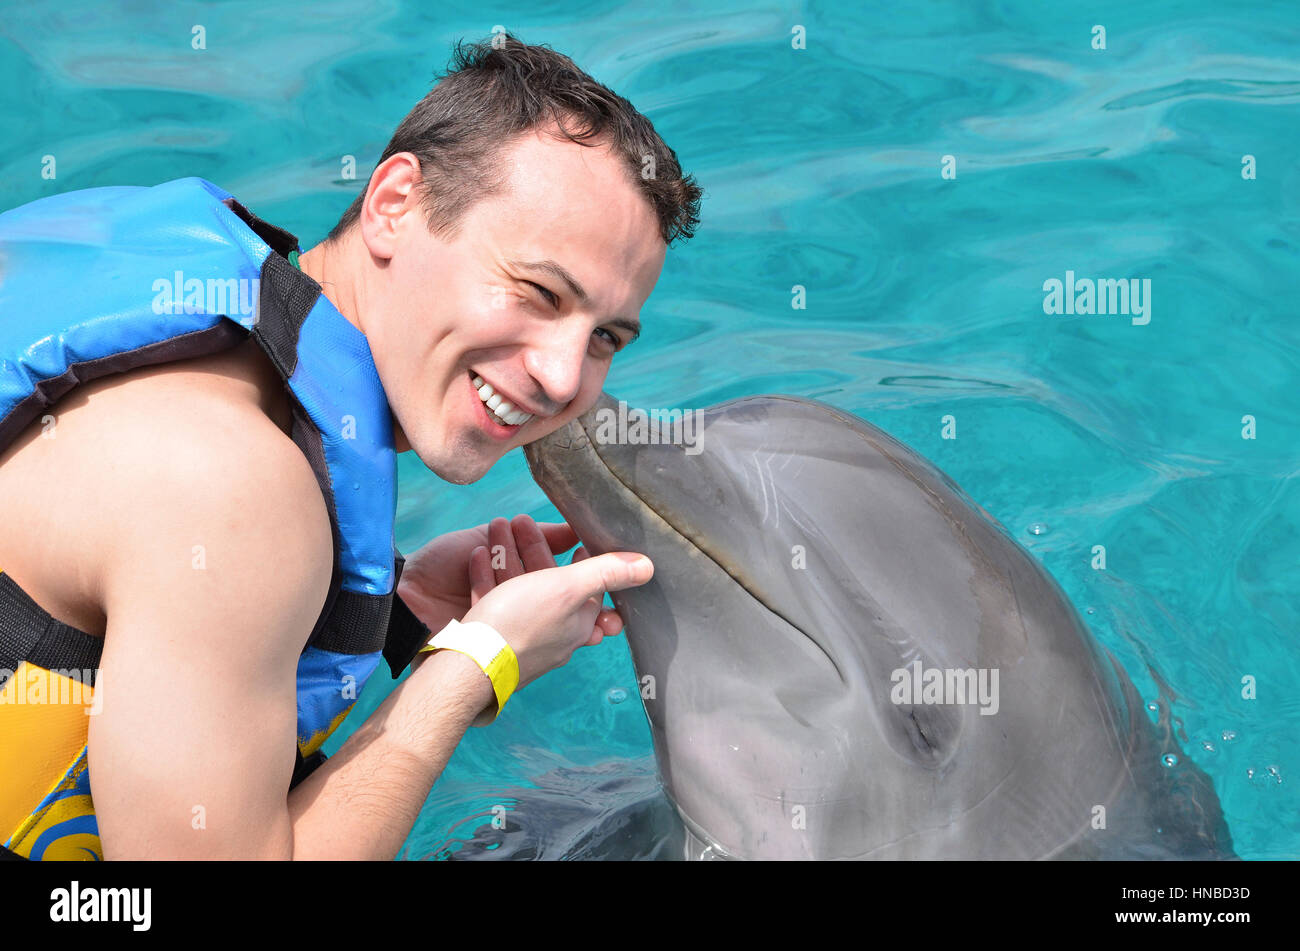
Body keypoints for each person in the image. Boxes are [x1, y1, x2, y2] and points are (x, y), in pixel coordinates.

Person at [0, 33, 702, 860]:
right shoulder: (233, 489)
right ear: (394, 203)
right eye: (538, 291)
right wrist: (478, 662)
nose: (561, 375)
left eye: (606, 336)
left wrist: (403, 624)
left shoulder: (164, 275)